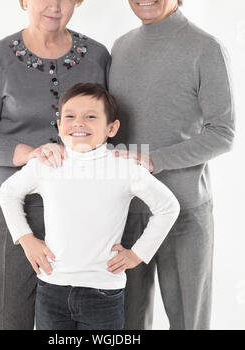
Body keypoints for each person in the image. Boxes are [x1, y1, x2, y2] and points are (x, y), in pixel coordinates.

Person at [0, 0, 111, 330]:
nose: (54, 6)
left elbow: (109, 127)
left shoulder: (98, 56)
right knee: (7, 311)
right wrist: (30, 153)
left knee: (68, 313)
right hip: (10, 205)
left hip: (78, 206)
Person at [0, 83, 180, 330]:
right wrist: (26, 239)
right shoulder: (48, 164)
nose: (79, 123)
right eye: (70, 116)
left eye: (91, 116)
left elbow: (168, 207)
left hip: (103, 292)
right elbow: (8, 193)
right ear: (60, 126)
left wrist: (138, 254)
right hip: (52, 288)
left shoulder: (123, 167)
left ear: (111, 128)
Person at [108, 0, 235, 330]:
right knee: (126, 324)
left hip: (184, 210)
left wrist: (155, 160)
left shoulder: (206, 48)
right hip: (128, 211)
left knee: (188, 321)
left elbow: (223, 134)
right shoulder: (120, 47)